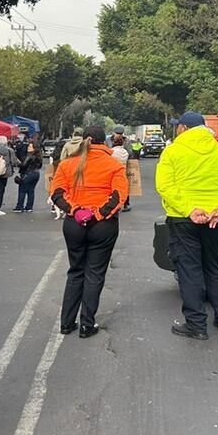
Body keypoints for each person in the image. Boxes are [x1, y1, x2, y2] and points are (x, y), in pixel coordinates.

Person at [156, 111, 218, 341]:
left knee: (190, 270)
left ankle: (196, 325)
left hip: (183, 220)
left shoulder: (172, 151)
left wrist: (189, 209)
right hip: (216, 220)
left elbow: (165, 186)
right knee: (216, 268)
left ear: (183, 128)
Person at [50, 127, 129, 338]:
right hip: (103, 226)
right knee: (95, 273)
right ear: (105, 142)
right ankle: (87, 324)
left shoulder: (67, 164)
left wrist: (77, 211)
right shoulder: (114, 165)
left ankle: (66, 323)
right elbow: (119, 195)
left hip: (74, 224)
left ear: (84, 140)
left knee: (76, 271)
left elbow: (57, 193)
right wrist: (97, 215)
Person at [14, 142, 44, 212]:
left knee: (22, 190)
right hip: (36, 174)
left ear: (34, 148)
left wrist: (17, 163)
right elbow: (40, 166)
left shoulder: (30, 155)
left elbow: (23, 165)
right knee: (31, 191)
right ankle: (29, 207)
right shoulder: (39, 156)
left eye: (30, 147)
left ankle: (19, 207)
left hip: (28, 174)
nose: (28, 148)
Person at [110, 137, 132, 212]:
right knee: (124, 189)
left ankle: (115, 205)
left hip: (114, 172)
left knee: (114, 190)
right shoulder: (125, 152)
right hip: (123, 172)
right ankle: (126, 204)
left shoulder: (112, 151)